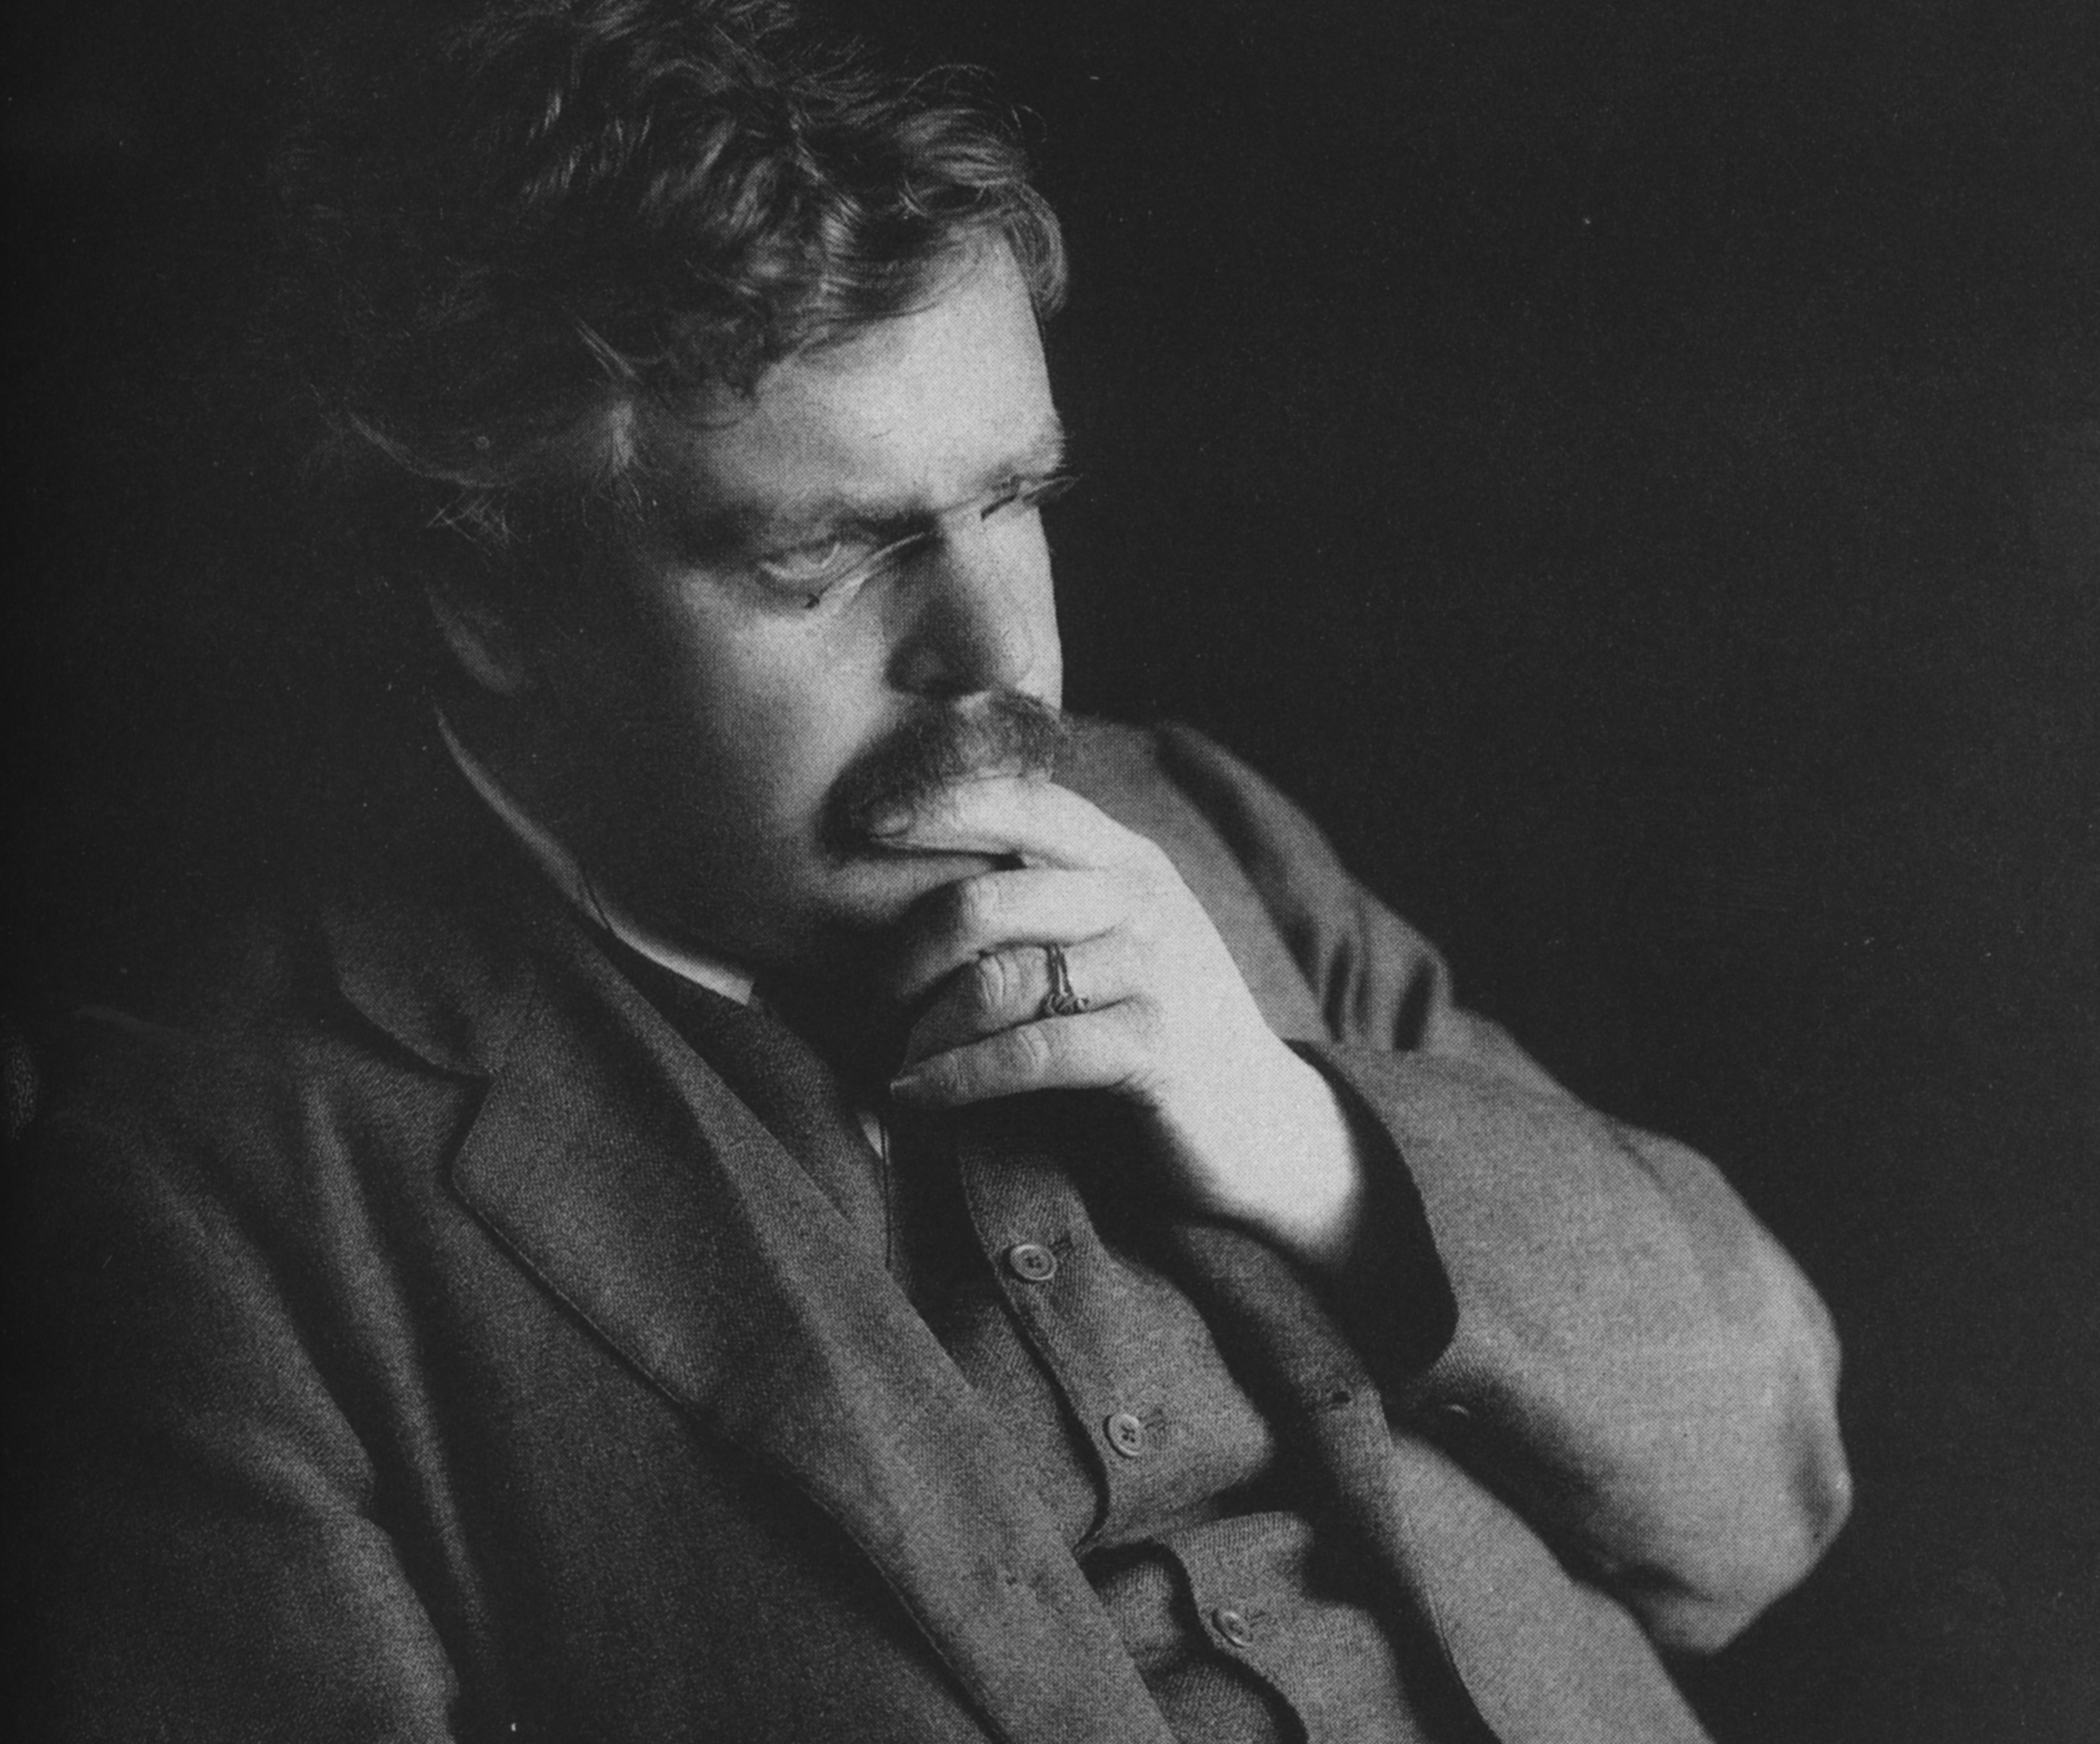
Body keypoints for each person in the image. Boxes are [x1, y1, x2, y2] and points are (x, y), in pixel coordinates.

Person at [5, 3, 1851, 1739]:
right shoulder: (215, 1193)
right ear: (487, 596)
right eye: (828, 557)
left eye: (1011, 499)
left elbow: (1772, 1489)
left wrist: (1306, 1141)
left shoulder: (1200, 830)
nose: (996, 655)